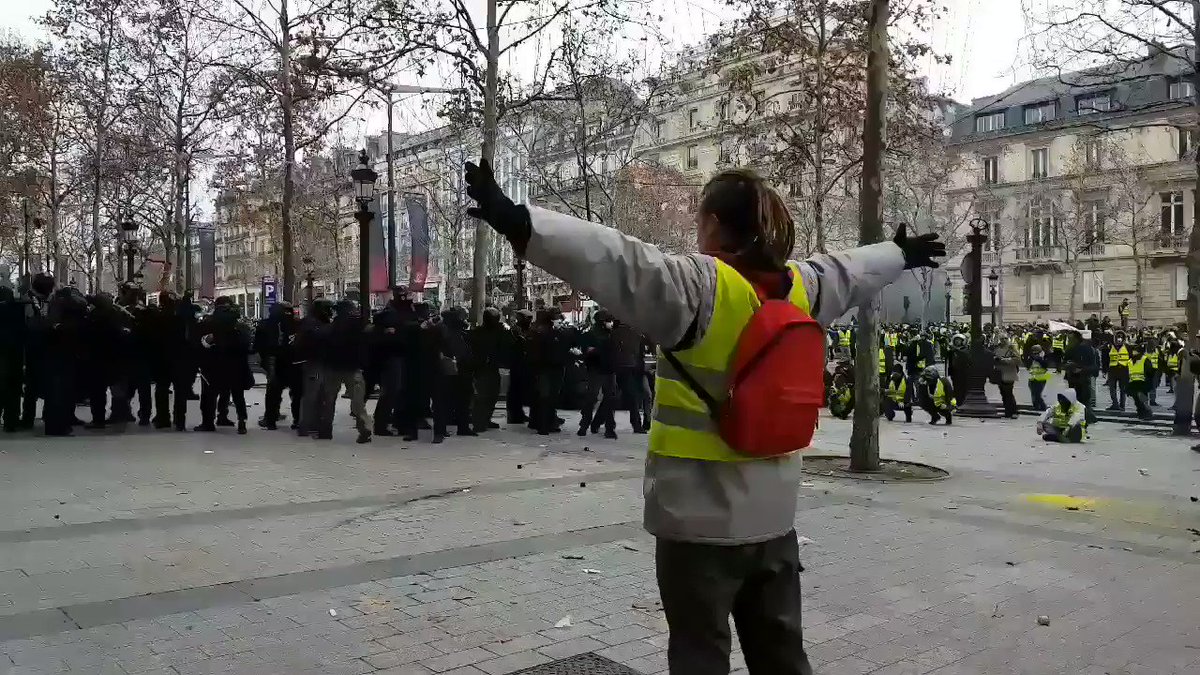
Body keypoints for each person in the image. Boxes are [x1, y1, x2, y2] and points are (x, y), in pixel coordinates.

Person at [464, 159, 944, 675]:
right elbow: (849, 269)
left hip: (699, 523)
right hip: (774, 519)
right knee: (782, 654)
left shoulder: (699, 287)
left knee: (699, 655)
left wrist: (518, 221)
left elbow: (615, 260)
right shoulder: (802, 288)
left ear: (713, 222)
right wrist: (901, 253)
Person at [313, 300, 372, 444]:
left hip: (333, 368)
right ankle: (364, 427)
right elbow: (366, 348)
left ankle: (325, 431)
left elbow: (322, 347)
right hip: (353, 368)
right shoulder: (359, 326)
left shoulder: (330, 328)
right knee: (358, 402)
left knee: (329, 400)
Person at [194, 297, 251, 434]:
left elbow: (199, 343)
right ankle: (240, 420)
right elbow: (246, 344)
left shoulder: (209, 322)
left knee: (209, 394)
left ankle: (208, 422)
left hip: (213, 364)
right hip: (236, 364)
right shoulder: (238, 323)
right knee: (237, 394)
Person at [372, 287, 414, 436]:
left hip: (396, 357)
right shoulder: (391, 314)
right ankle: (381, 425)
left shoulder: (399, 311)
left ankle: (388, 422)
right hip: (392, 358)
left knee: (395, 392)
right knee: (391, 392)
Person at [256, 302, 302, 430]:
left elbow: (258, 346)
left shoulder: (265, 324)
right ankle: (298, 419)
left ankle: (270, 419)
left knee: (273, 392)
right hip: (294, 362)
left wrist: (265, 358)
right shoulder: (297, 324)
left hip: (274, 361)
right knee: (297, 392)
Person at [578, 309, 619, 438]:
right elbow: (586, 351)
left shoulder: (612, 335)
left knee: (609, 399)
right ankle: (584, 425)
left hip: (608, 370)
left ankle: (609, 428)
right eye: (608, 321)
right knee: (592, 397)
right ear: (602, 322)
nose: (610, 323)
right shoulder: (591, 335)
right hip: (596, 370)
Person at [470, 307, 506, 432]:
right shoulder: (478, 332)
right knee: (483, 396)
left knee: (493, 395)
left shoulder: (498, 331)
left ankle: (486, 419)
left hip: (493, 367)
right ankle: (479, 422)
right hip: (482, 368)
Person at [992, 333, 1020, 419]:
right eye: (1002, 339)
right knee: (1003, 393)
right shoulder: (997, 348)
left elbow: (1017, 359)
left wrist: (1004, 360)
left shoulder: (1011, 347)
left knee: (1008, 393)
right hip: (1000, 373)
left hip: (1009, 373)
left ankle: (1012, 411)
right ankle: (1008, 411)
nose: (1003, 340)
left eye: (1005, 338)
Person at [1126, 343, 1155, 420]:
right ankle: (1141, 414)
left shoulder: (1145, 359)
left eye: (1136, 351)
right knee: (1137, 401)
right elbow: (1128, 372)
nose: (1134, 353)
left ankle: (1148, 414)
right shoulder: (1130, 361)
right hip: (1133, 383)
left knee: (1142, 400)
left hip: (1142, 383)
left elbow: (1150, 371)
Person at [1103, 332, 1130, 411]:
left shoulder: (1127, 347)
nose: (1119, 339)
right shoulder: (1109, 346)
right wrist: (1104, 370)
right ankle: (1115, 404)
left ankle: (1122, 405)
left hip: (1124, 369)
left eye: (1121, 337)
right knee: (1112, 388)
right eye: (1118, 337)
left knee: (1123, 389)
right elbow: (1105, 359)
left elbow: (1131, 358)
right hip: (1113, 370)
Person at [1026, 344, 1051, 411]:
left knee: (1037, 393)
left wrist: (1037, 358)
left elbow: (1045, 364)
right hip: (1033, 377)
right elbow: (1028, 365)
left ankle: (1043, 406)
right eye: (1033, 351)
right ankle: (1035, 406)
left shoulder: (1044, 356)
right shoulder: (1032, 357)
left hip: (1041, 377)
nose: (1034, 353)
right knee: (1033, 393)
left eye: (1036, 351)